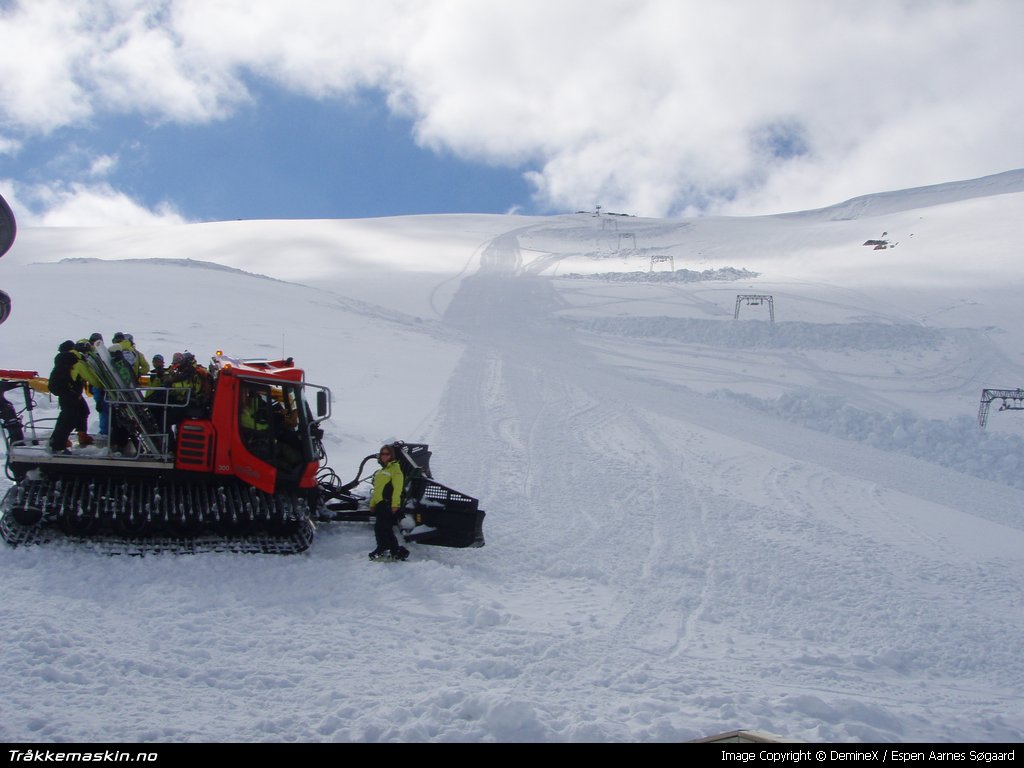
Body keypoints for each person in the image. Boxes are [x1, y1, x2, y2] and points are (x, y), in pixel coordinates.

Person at [47, 339, 101, 453]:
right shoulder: (77, 363)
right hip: (70, 394)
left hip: (70, 393)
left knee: (83, 411)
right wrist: (103, 385)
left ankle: (81, 435)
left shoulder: (69, 359)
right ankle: (58, 444)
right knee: (68, 418)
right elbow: (91, 379)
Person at [367, 444, 410, 561]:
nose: (384, 456)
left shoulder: (395, 469)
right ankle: (394, 550)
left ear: (391, 455)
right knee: (381, 528)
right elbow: (377, 489)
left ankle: (384, 548)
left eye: (387, 454)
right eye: (382, 454)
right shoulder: (382, 470)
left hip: (388, 503)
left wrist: (395, 504)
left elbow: (398, 488)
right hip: (380, 503)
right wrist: (372, 503)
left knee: (383, 527)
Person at [87, 332, 109, 438]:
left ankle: (105, 431)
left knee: (103, 409)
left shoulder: (94, 355)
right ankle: (105, 431)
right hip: (100, 385)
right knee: (104, 409)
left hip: (100, 385)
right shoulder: (101, 353)